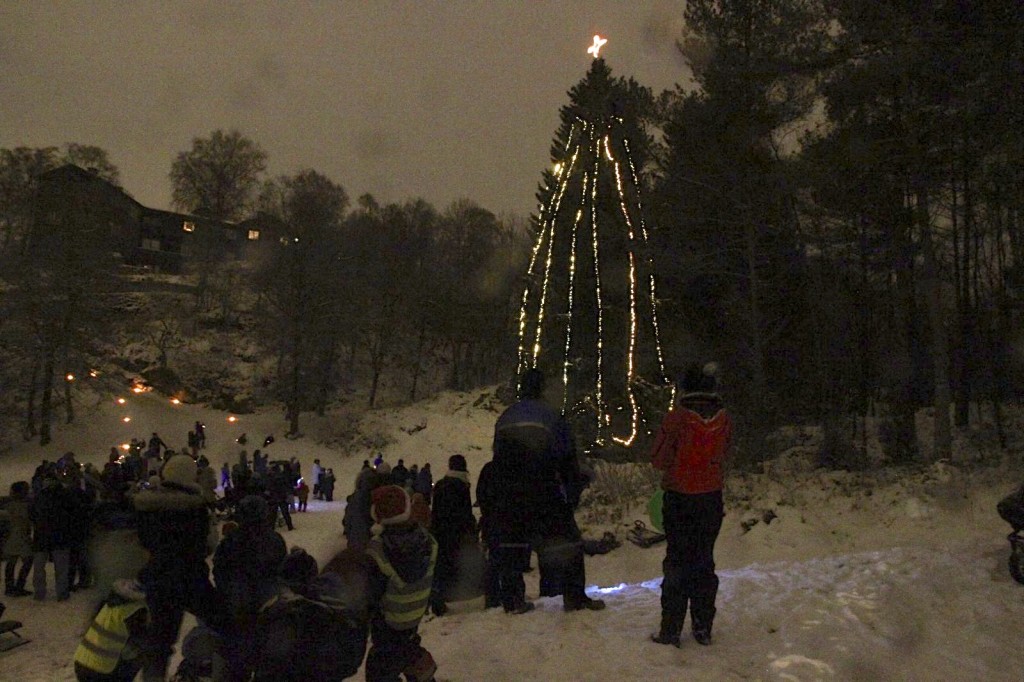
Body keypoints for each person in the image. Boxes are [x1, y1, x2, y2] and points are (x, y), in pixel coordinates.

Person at [493, 367, 604, 612]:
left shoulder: (505, 418)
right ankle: (574, 597)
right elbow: (567, 458)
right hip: (544, 487)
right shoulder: (550, 416)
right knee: (568, 541)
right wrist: (571, 495)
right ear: (542, 388)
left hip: (511, 492)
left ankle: (512, 600)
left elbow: (497, 460)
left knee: (512, 543)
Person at [649, 362, 731, 647]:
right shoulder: (724, 420)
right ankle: (703, 627)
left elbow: (658, 459)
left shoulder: (676, 419)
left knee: (677, 562)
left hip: (680, 499)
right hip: (711, 498)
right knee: (703, 561)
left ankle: (671, 629)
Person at [131, 454, 224, 681]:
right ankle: (222, 672)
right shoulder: (195, 508)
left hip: (157, 579)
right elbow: (206, 546)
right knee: (226, 625)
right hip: (190, 578)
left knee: (159, 643)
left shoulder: (146, 507)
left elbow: (141, 543)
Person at [362, 485, 439, 682]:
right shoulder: (427, 541)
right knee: (406, 648)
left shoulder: (377, 549)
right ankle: (421, 670)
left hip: (389, 619)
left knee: (380, 666)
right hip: (415, 611)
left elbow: (372, 591)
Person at [213, 494, 287, 681]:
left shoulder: (232, 541)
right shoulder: (274, 540)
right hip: (265, 606)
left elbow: (220, 570)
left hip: (240, 608)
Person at [477, 439, 533, 614]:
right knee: (514, 563)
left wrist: (488, 515)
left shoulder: (488, 469)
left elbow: (481, 495)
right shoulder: (519, 470)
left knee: (495, 562)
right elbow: (527, 497)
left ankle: (493, 599)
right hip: (515, 525)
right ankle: (514, 600)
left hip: (494, 524)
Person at [73, 578, 156, 682]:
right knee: (139, 655)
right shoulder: (136, 611)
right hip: (102, 669)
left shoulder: (112, 602)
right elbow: (141, 643)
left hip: (82, 661)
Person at [428, 455, 478, 616]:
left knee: (441, 566)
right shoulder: (461, 486)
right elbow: (465, 512)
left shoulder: (441, 484)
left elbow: (435, 511)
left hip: (440, 531)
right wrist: (471, 530)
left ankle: (438, 600)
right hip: (456, 532)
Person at [31, 470, 75, 601]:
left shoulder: (39, 497)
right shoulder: (64, 496)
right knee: (60, 567)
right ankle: (61, 592)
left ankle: (40, 592)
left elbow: (32, 514)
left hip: (43, 536)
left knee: (40, 567)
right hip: (59, 536)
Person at [1, 481, 34, 597]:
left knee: (12, 562)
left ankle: (10, 587)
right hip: (21, 537)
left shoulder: (8, 506)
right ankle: (18, 586)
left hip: (13, 537)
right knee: (27, 561)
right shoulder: (26, 506)